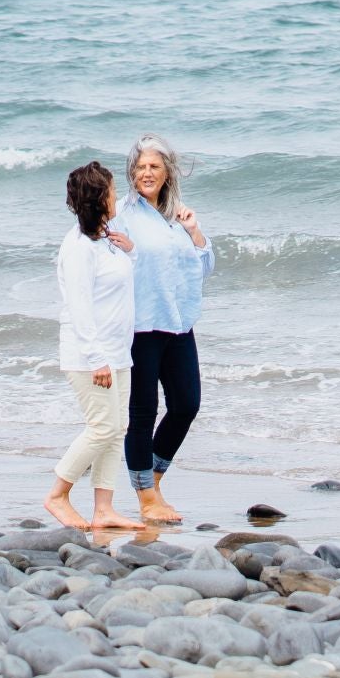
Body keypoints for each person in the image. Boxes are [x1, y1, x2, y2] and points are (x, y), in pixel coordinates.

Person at [115, 132, 212, 524]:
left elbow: (204, 267)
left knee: (187, 405)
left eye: (154, 166)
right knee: (142, 413)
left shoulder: (179, 216)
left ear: (168, 172)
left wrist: (195, 232)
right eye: (140, 167)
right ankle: (146, 498)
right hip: (140, 326)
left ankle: (152, 481)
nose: (147, 173)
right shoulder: (121, 214)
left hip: (178, 323)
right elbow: (106, 265)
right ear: (131, 173)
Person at [47, 160, 137, 531]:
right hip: (90, 357)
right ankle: (57, 495)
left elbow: (119, 286)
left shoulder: (105, 239)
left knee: (118, 428)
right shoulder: (79, 246)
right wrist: (97, 358)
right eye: (113, 190)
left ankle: (104, 509)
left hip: (117, 352)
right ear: (100, 197)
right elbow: (80, 307)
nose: (117, 195)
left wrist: (131, 251)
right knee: (101, 427)